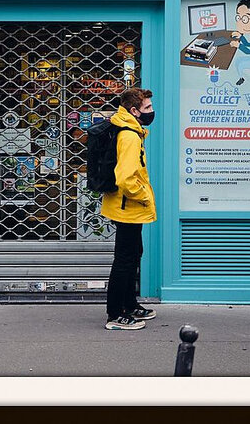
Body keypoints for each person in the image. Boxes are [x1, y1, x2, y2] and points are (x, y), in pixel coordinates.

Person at [101, 87, 157, 330]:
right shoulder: (130, 136)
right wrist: (144, 196)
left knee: (134, 254)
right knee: (124, 260)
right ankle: (115, 314)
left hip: (128, 207)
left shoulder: (132, 130)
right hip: (128, 207)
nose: (151, 111)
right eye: (147, 108)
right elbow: (125, 178)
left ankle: (130, 304)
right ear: (134, 111)